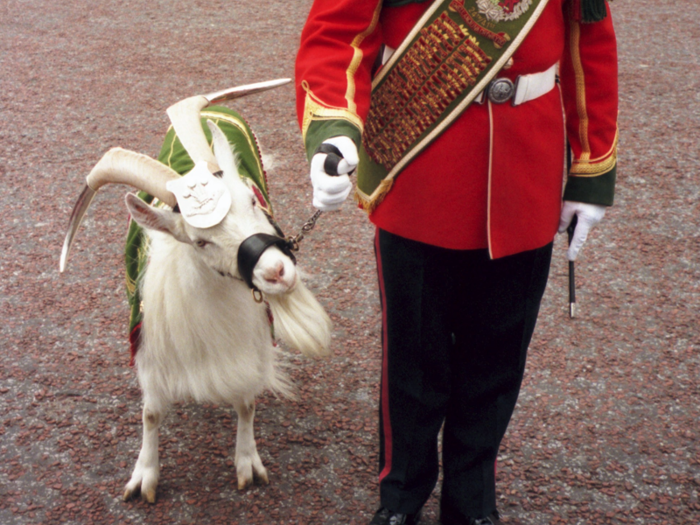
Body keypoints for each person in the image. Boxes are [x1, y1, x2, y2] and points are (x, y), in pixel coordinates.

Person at [295, 0, 618, 523]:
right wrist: (333, 128)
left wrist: (591, 166)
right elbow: (338, 34)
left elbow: (589, 43)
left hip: (526, 173)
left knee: (497, 360)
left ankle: (472, 500)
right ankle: (401, 494)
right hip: (422, 170)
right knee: (413, 360)